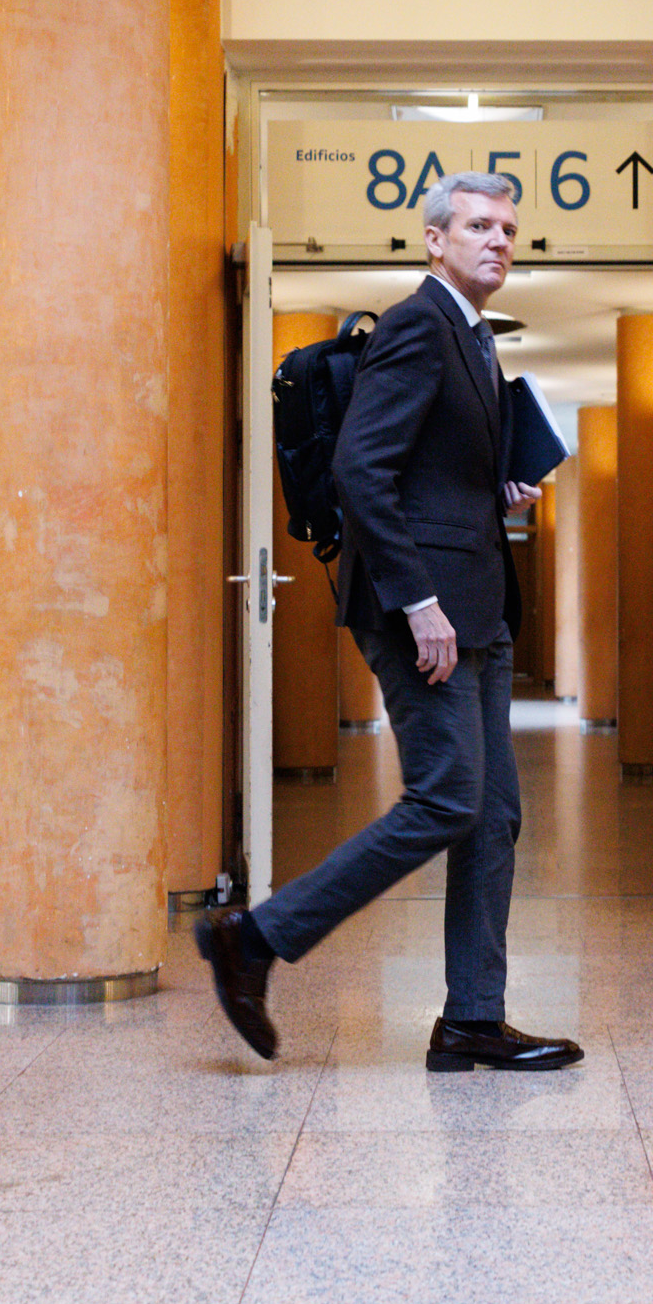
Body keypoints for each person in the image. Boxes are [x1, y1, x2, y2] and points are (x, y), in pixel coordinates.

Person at [195, 170, 583, 1072]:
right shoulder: (417, 325)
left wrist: (495, 490)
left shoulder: (473, 337)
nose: (498, 240)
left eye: (508, 229)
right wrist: (419, 602)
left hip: (476, 609)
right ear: (435, 240)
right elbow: (360, 470)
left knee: (492, 815)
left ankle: (473, 1018)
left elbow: (422, 473)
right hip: (426, 612)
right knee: (447, 796)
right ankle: (255, 937)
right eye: (478, 225)